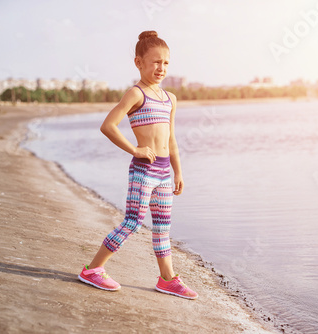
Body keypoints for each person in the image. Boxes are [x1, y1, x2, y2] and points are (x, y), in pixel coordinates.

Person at [78, 31, 198, 300]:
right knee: (132, 221)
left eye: (166, 63)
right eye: (155, 62)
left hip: (165, 173)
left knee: (163, 227)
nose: (161, 68)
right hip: (144, 170)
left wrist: (178, 171)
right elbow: (108, 126)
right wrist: (135, 149)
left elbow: (171, 139)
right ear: (139, 63)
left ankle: (167, 279)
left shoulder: (170, 99)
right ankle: (93, 269)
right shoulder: (136, 94)